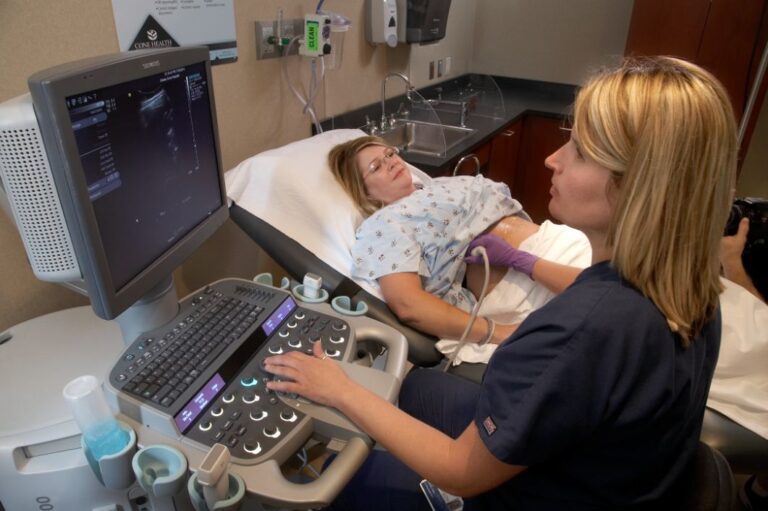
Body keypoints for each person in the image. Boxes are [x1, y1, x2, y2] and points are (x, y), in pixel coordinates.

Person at [265, 56, 736, 509]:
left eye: (581, 151)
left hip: (533, 489)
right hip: (611, 468)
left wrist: (340, 390)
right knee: (411, 388)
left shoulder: (574, 334)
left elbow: (459, 471)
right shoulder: (689, 286)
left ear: (641, 186)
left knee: (342, 488)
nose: (553, 158)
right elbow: (408, 302)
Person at [328, 136, 585, 346]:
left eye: (389, 154)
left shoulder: (438, 185)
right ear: (365, 193)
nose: (390, 162)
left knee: (618, 292)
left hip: (557, 244)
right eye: (376, 167)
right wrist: (499, 333)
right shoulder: (384, 225)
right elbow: (408, 304)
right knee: (612, 298)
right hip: (525, 286)